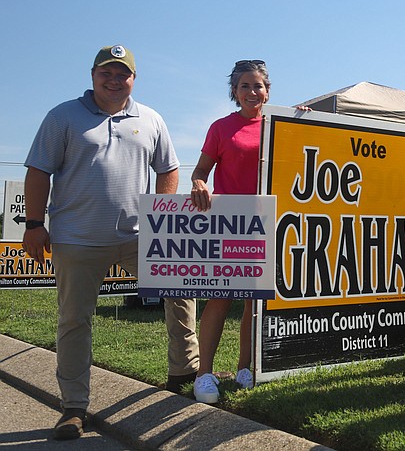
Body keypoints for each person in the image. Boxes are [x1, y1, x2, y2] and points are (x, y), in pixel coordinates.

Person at [22, 45, 200, 440]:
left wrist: (162, 217)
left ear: (133, 79)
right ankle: (73, 407)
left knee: (182, 288)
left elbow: (168, 169)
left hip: (139, 238)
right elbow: (38, 172)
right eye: (107, 72)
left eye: (123, 73)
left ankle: (183, 373)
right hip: (77, 239)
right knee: (74, 319)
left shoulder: (150, 118)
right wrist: (35, 224)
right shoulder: (62, 116)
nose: (115, 79)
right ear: (92, 74)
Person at [188, 59, 269, 404]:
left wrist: (304, 121)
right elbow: (201, 170)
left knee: (254, 301)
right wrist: (197, 183)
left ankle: (245, 368)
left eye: (259, 86)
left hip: (267, 223)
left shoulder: (279, 124)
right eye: (245, 86)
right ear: (234, 92)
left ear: (268, 91)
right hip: (228, 224)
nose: (253, 92)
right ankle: (204, 374)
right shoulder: (221, 128)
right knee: (220, 297)